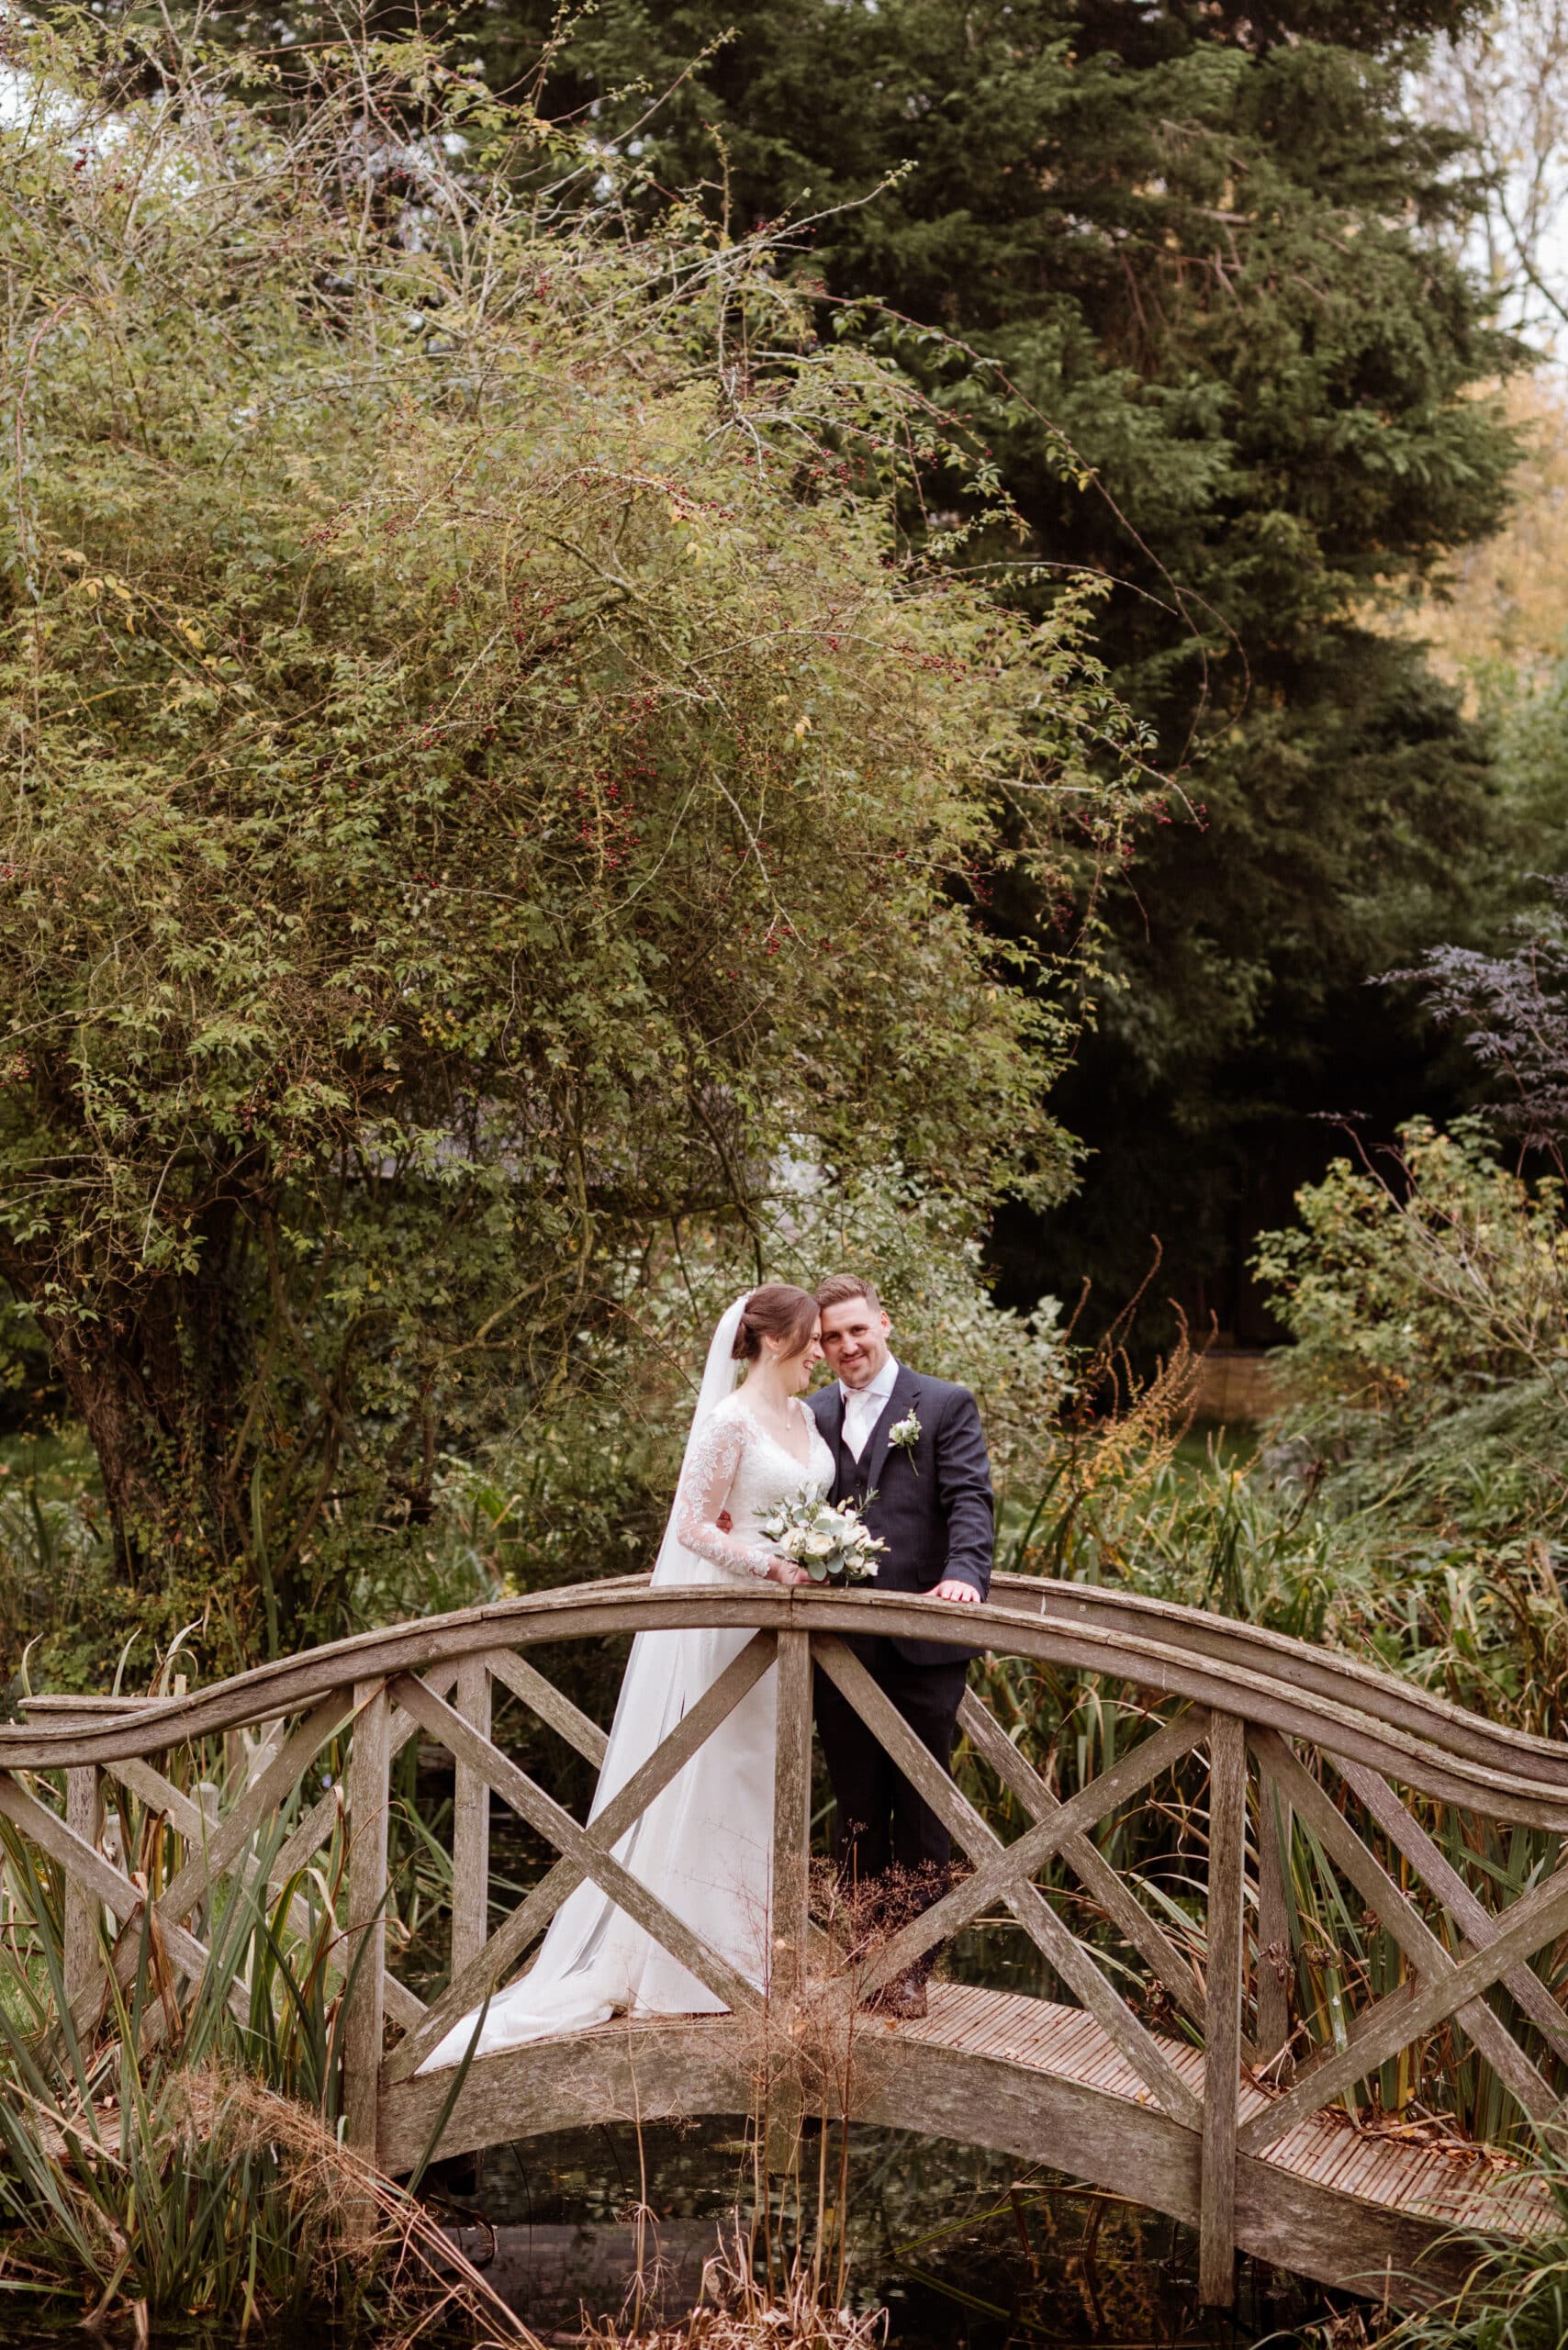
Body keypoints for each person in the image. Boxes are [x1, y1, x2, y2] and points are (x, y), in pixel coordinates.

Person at [419, 1285, 827, 2071]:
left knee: (766, 1776)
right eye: (810, 1340)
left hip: (790, 1634)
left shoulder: (806, 1421)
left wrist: (827, 1551)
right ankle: (682, 1964)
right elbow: (690, 1526)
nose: (820, 1353)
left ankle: (750, 1953)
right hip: (730, 1627)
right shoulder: (728, 1422)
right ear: (774, 1342)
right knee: (711, 1773)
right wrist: (768, 1564)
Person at [806, 1273, 994, 2020]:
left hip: (924, 1639)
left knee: (920, 1802)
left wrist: (963, 1577)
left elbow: (969, 1500)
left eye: (858, 1329)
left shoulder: (943, 1404)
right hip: (839, 1643)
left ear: (885, 1323)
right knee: (856, 1804)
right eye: (832, 1337)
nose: (848, 1346)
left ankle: (913, 1965)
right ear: (818, 1348)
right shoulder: (810, 1413)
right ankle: (863, 1954)